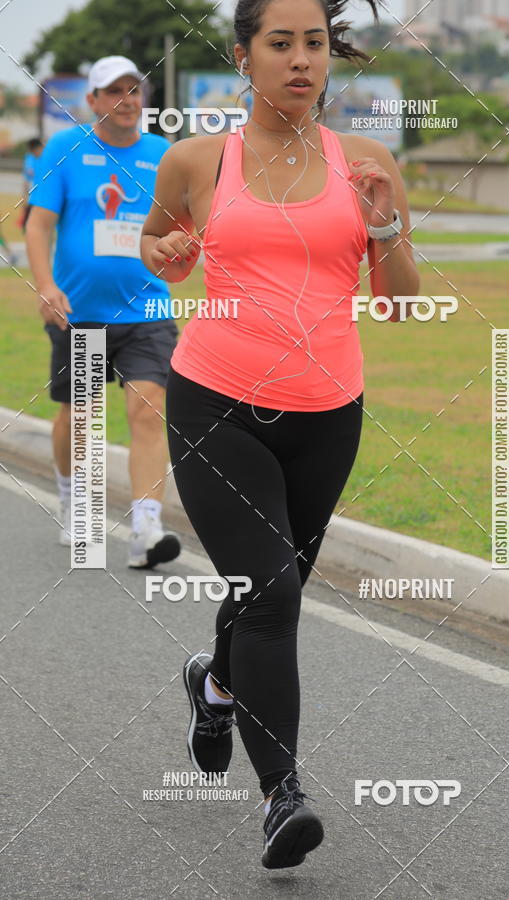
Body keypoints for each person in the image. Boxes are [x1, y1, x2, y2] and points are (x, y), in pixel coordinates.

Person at [141, 0, 419, 869]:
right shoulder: (195, 159)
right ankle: (282, 796)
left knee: (275, 582)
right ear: (243, 57)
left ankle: (213, 680)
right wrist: (169, 255)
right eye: (279, 44)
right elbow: (158, 245)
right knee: (273, 596)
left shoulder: (369, 162)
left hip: (330, 411)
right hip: (215, 403)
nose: (300, 60)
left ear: (327, 56)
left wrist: (384, 225)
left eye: (313, 44)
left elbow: (401, 299)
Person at [26, 55, 181, 569]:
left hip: (148, 309)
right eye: (113, 91)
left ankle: (145, 528)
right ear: (92, 101)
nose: (127, 100)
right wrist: (46, 285)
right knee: (82, 417)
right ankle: (74, 497)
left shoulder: (163, 154)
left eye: (134, 90)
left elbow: (183, 226)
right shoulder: (65, 149)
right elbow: (38, 224)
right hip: (82, 313)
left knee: (148, 407)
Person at [20, 137, 44, 231]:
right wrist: (24, 197)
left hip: (44, 200)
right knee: (28, 227)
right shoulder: (30, 158)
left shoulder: (50, 157)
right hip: (34, 199)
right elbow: (27, 179)